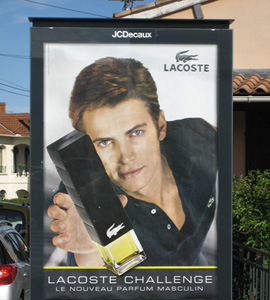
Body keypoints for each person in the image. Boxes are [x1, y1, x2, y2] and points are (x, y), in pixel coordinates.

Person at [47, 57, 217, 267]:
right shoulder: (86, 195)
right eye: (105, 142)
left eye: (136, 132)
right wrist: (90, 245)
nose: (126, 157)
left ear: (161, 126)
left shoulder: (201, 137)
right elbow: (100, 267)